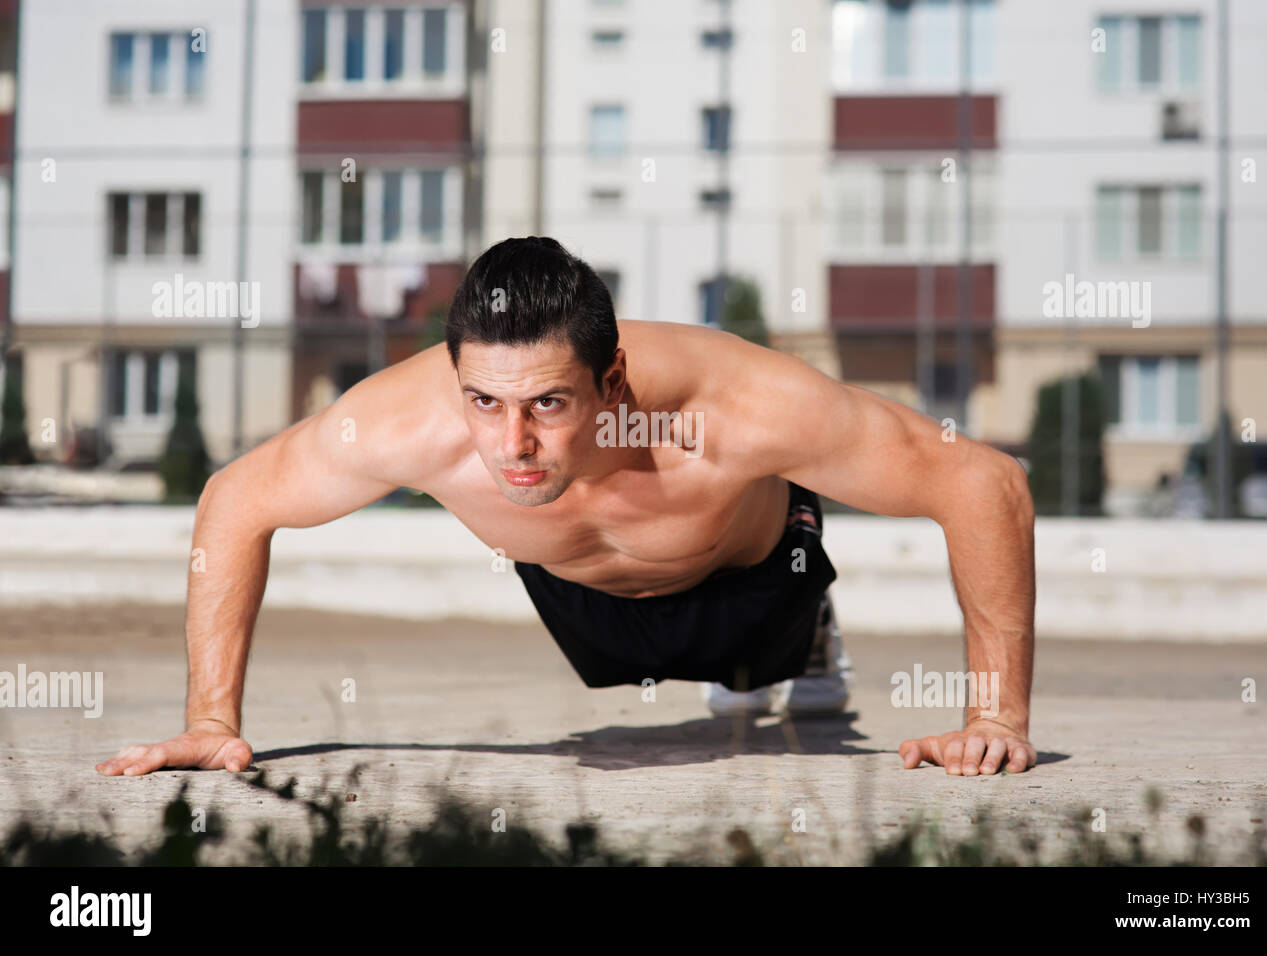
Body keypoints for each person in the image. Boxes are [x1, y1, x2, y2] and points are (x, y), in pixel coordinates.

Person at [96, 237, 1037, 779]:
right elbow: (234, 501)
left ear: (612, 378)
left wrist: (994, 718)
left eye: (548, 403)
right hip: (576, 593)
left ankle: (814, 628)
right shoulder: (405, 425)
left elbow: (985, 483)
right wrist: (212, 721)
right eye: (485, 403)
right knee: (556, 538)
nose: (512, 446)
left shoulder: (737, 408)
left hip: (753, 578)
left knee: (757, 669)